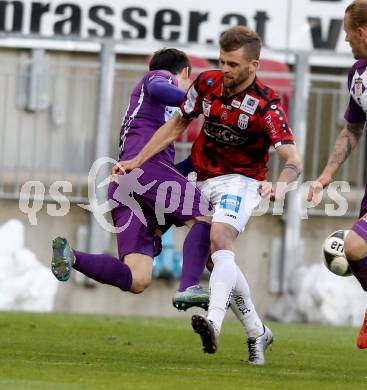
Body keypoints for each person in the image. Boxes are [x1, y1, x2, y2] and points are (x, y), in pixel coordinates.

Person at [116, 26, 303, 365]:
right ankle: (257, 330)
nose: (225, 70)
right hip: (203, 179)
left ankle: (213, 322)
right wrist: (136, 160)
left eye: (233, 64)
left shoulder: (267, 103)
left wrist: (282, 184)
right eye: (222, 61)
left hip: (241, 182)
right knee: (216, 260)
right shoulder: (207, 84)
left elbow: (293, 160)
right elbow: (174, 126)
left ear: (254, 65)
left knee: (219, 238)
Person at [51, 48, 212, 303]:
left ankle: (72, 256)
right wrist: (199, 101)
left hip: (127, 182)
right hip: (145, 170)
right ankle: (191, 287)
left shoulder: (149, 113)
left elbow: (171, 172)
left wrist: (197, 163)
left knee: (138, 278)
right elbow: (161, 88)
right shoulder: (159, 77)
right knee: (208, 219)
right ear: (185, 73)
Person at [308, 0, 367, 350]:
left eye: (347, 34)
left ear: (361, 31)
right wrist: (327, 173)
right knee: (356, 248)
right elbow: (352, 130)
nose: (346, 41)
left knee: (354, 245)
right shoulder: (358, 76)